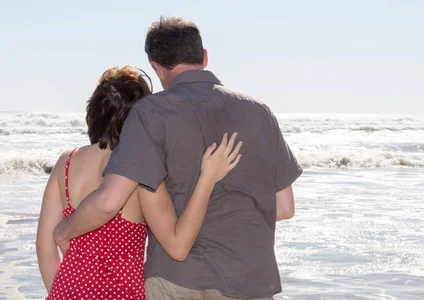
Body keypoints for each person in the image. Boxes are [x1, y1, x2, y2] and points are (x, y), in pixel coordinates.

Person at [52, 16, 302, 300]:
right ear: (204, 57)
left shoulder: (150, 113)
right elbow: (284, 207)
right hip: (250, 282)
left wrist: (63, 231)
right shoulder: (259, 112)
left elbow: (109, 201)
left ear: (157, 68)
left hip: (177, 282)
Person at [36, 65, 242, 299]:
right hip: (122, 293)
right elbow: (178, 245)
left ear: (93, 111)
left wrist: (62, 292)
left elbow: (44, 247)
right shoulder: (139, 167)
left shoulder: (66, 161)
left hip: (67, 290)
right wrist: (207, 178)